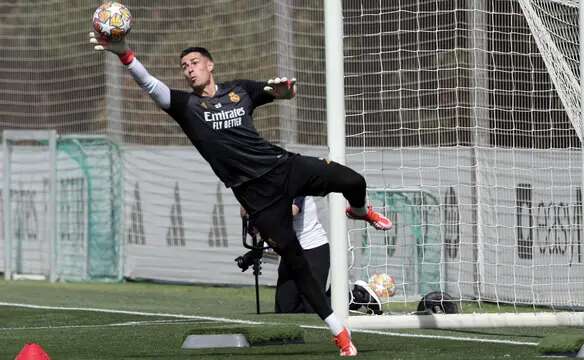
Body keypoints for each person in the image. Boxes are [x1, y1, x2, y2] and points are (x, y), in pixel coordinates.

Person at [89, 32, 392, 357]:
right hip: (258, 198)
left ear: (210, 65)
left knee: (352, 180)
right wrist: (124, 54)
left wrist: (284, 92)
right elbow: (150, 84)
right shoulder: (186, 106)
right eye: (184, 66)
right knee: (295, 263)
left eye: (194, 63)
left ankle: (359, 211)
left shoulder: (239, 90)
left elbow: (278, 92)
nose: (189, 69)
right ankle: (340, 333)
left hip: (284, 167)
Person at [243, 196, 382, 315]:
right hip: (291, 250)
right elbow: (250, 213)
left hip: (312, 248)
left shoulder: (293, 175)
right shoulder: (266, 183)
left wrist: (259, 214)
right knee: (285, 308)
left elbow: (293, 210)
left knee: (313, 309)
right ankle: (336, 297)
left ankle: (356, 296)